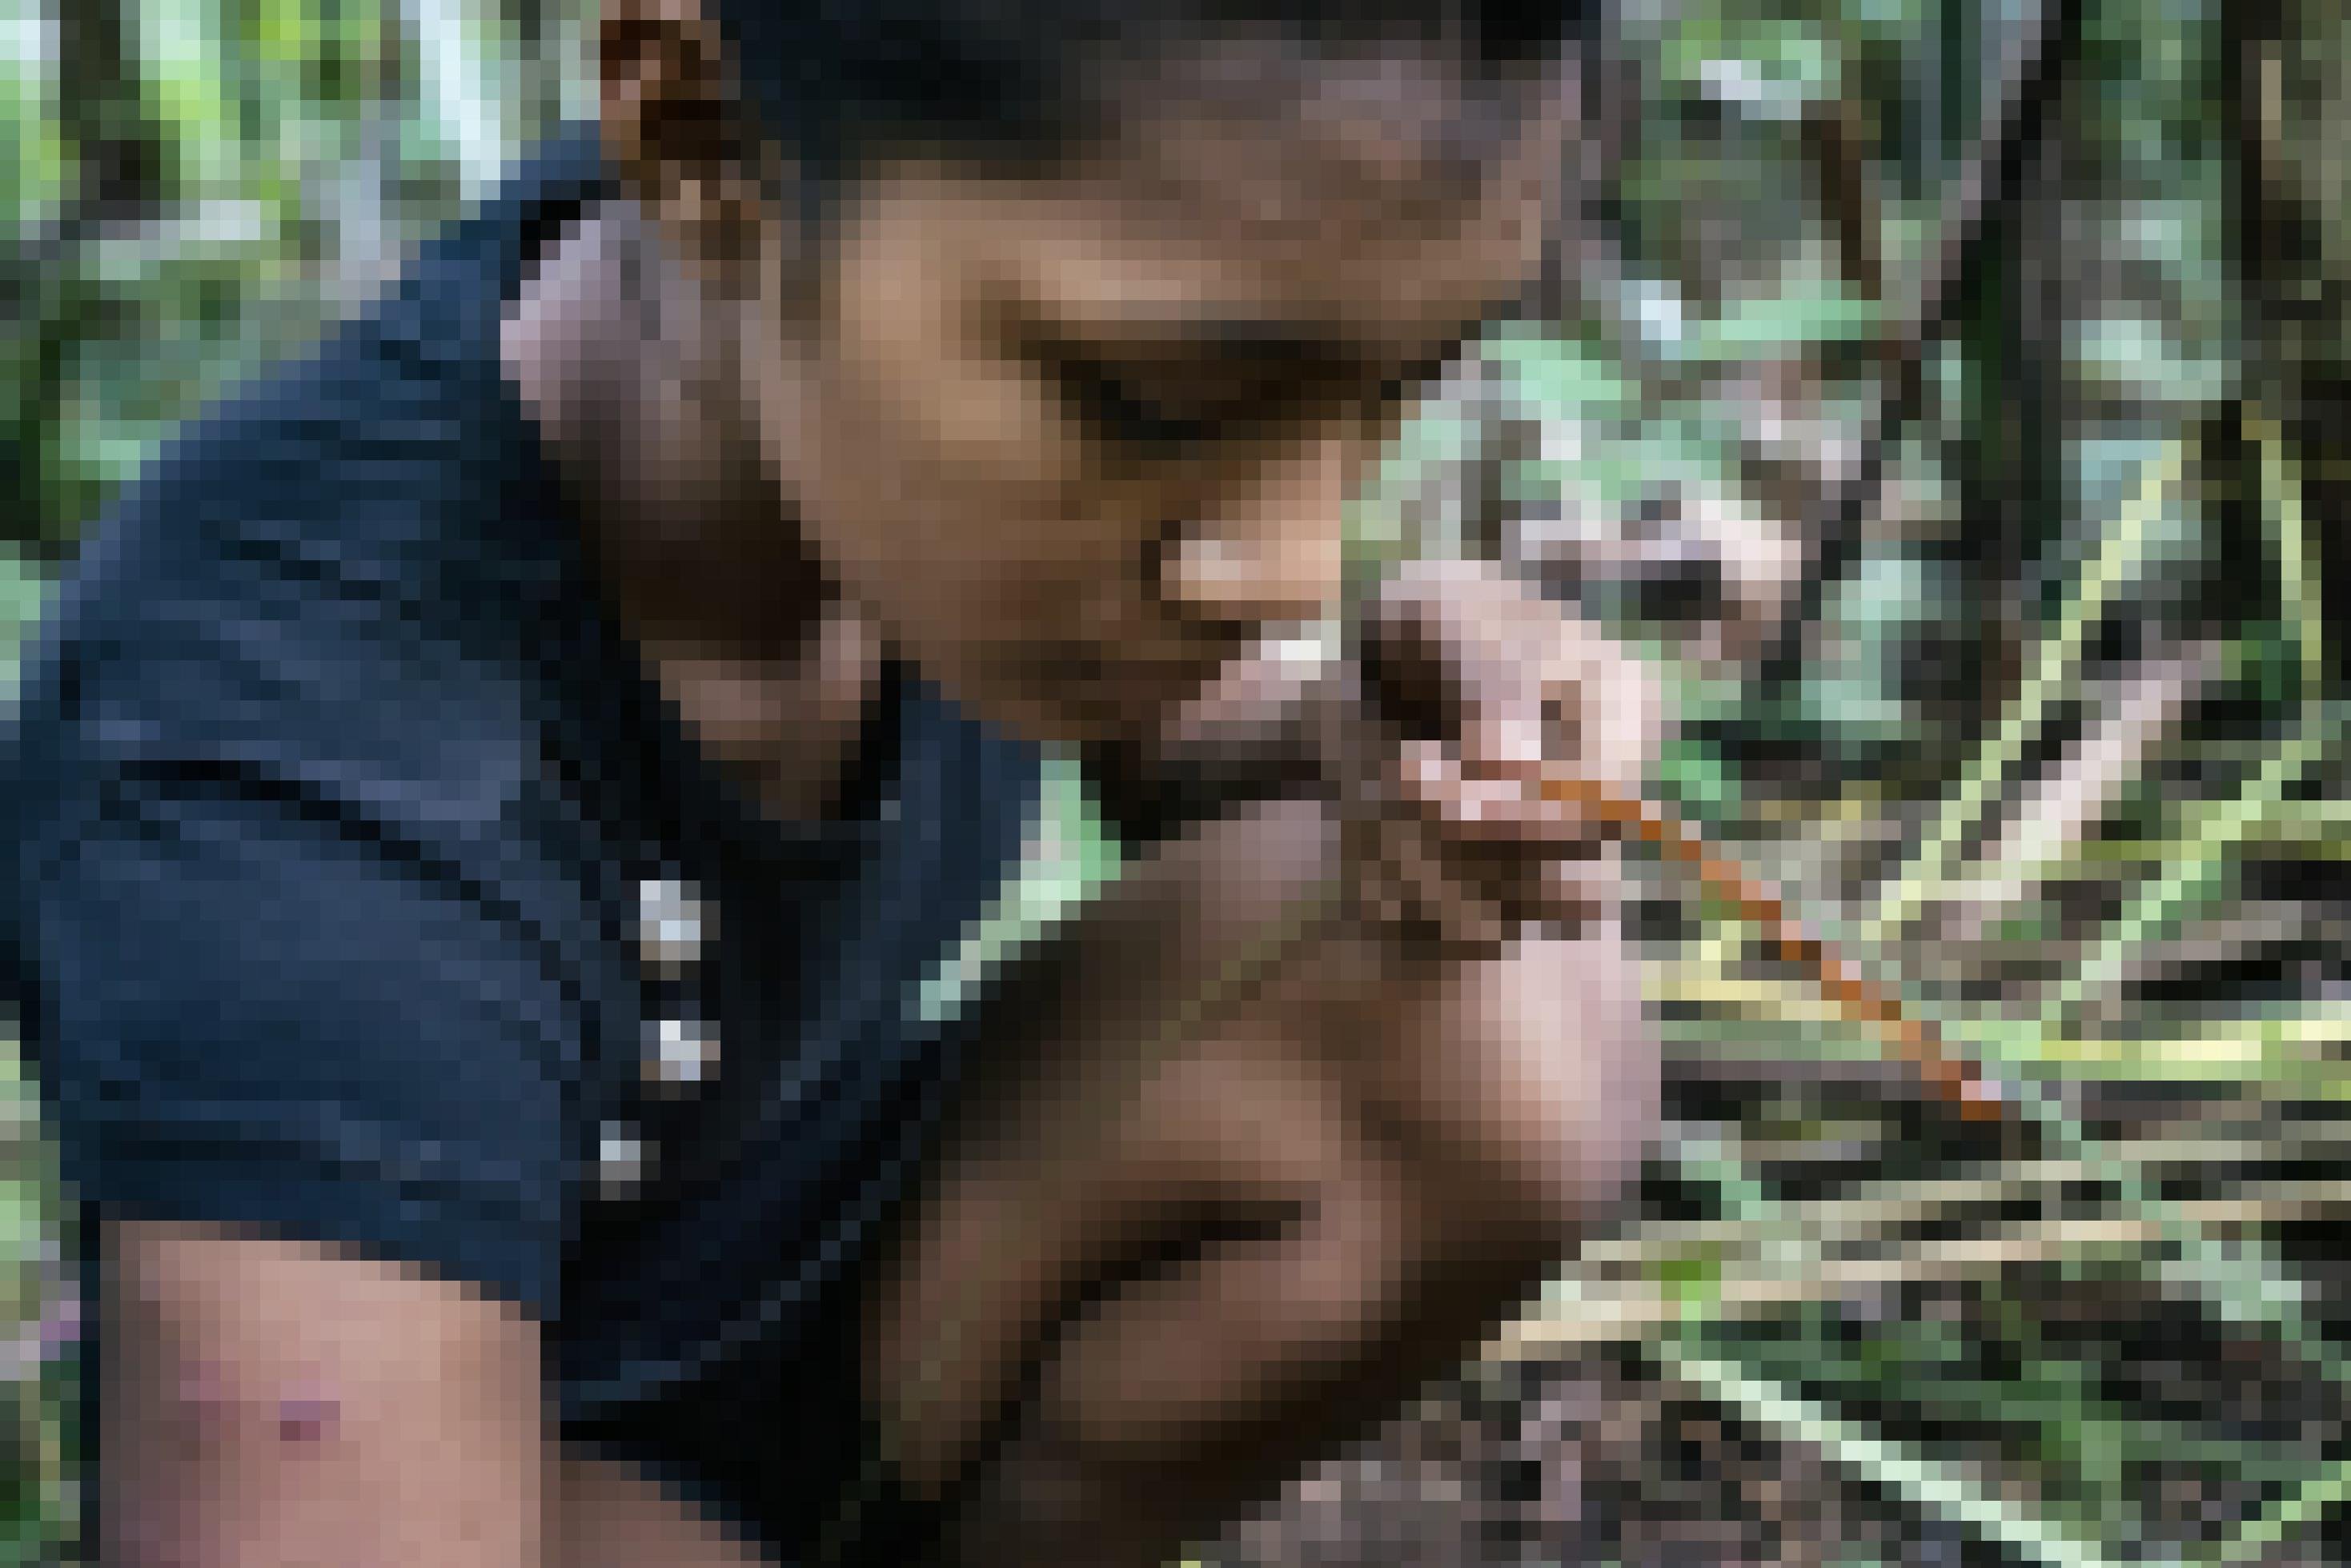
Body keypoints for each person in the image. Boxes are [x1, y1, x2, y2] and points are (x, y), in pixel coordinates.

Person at [4, 2, 1673, 1564]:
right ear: (694, 137)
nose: (1292, 564)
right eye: (1163, 406)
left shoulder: (811, 297)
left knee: (1490, 1015)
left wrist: (1370, 739)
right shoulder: (309, 782)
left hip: (793, 1297)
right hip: (439, 1447)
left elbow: (1196, 739)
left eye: (1393, 391)